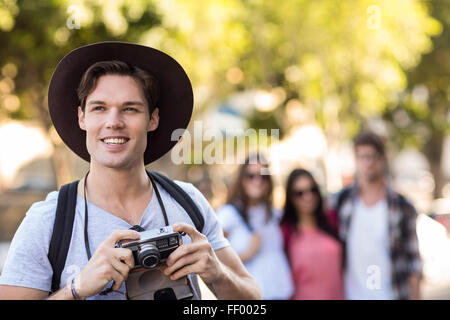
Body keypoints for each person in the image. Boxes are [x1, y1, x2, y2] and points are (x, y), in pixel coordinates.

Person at [0, 42, 261, 300]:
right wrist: (77, 288)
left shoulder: (188, 202)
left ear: (153, 119)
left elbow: (252, 302)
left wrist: (217, 274)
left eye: (130, 109)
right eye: (99, 108)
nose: (114, 122)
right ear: (82, 118)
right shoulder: (48, 221)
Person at [329, 131, 422, 300]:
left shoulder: (402, 206)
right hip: (352, 295)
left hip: (392, 294)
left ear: (383, 160)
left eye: (373, 156)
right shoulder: (341, 202)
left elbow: (413, 263)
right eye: (363, 157)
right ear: (356, 160)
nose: (368, 163)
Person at [217, 154, 294, 300]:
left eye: (263, 176)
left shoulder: (274, 213)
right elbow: (215, 260)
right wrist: (247, 254)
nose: (257, 181)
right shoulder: (228, 213)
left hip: (282, 293)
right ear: (242, 179)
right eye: (251, 176)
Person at [280, 169, 344, 300]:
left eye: (312, 190)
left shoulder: (332, 220)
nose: (308, 197)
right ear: (291, 197)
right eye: (300, 193)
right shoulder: (285, 232)